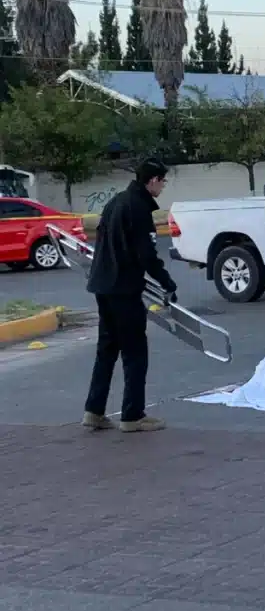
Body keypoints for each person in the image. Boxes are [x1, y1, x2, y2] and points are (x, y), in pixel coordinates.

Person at [82, 158, 177, 433]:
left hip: (103, 285)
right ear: (153, 181)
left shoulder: (116, 202)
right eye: (162, 181)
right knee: (135, 352)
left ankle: (94, 410)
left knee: (107, 349)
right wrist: (167, 282)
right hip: (123, 288)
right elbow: (146, 254)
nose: (163, 186)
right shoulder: (139, 208)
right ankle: (133, 415)